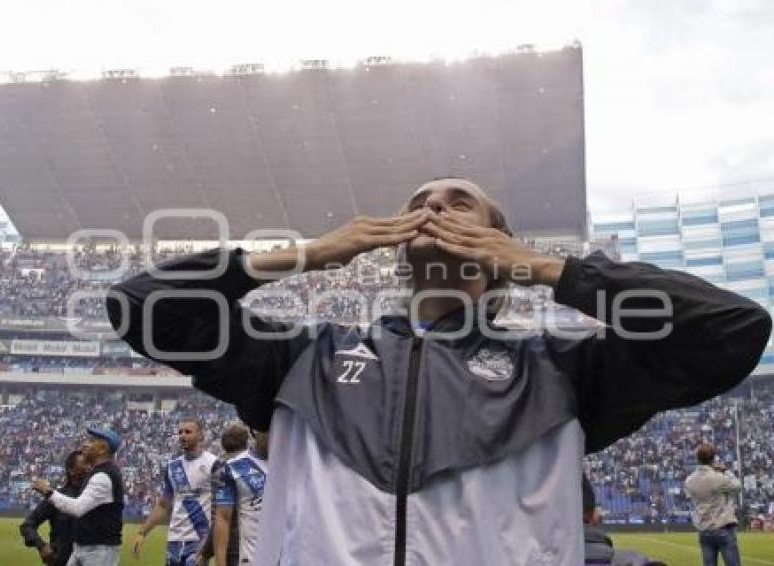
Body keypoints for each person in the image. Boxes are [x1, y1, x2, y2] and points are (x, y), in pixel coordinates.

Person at [108, 177, 771, 565]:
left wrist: (548, 269)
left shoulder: (559, 369)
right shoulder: (306, 357)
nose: (434, 204)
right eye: (421, 199)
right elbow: (140, 307)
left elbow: (731, 329)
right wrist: (310, 254)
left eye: (459, 202)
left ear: (497, 242)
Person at [131, 418, 221, 566]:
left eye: (188, 431)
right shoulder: (173, 467)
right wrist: (142, 533)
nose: (182, 435)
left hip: (199, 539)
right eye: (180, 432)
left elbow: (222, 507)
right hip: (174, 539)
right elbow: (163, 505)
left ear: (201, 436)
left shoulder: (214, 464)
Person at [32, 427, 124, 566]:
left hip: (98, 551)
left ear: (103, 449)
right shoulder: (98, 472)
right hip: (84, 547)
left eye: (91, 441)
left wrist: (48, 492)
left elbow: (77, 508)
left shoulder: (103, 476)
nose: (85, 444)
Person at [20, 450, 89, 566]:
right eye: (84, 463)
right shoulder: (56, 497)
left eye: (89, 463)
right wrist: (41, 546)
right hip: (61, 561)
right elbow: (27, 525)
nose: (88, 467)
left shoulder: (96, 497)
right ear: (71, 471)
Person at [213, 427, 268, 566]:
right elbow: (223, 518)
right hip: (252, 559)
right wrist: (220, 562)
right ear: (255, 430)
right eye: (270, 429)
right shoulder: (232, 467)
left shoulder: (295, 463)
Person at [685, 443, 743, 566]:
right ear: (713, 458)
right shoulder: (718, 478)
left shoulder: (689, 480)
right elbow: (737, 486)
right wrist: (725, 471)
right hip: (722, 527)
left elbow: (690, 496)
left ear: (698, 459)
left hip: (704, 529)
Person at [204, 423, 249, 566]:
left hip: (234, 546)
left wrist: (205, 552)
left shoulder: (222, 471)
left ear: (223, 444)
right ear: (246, 442)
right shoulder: (258, 466)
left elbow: (220, 518)